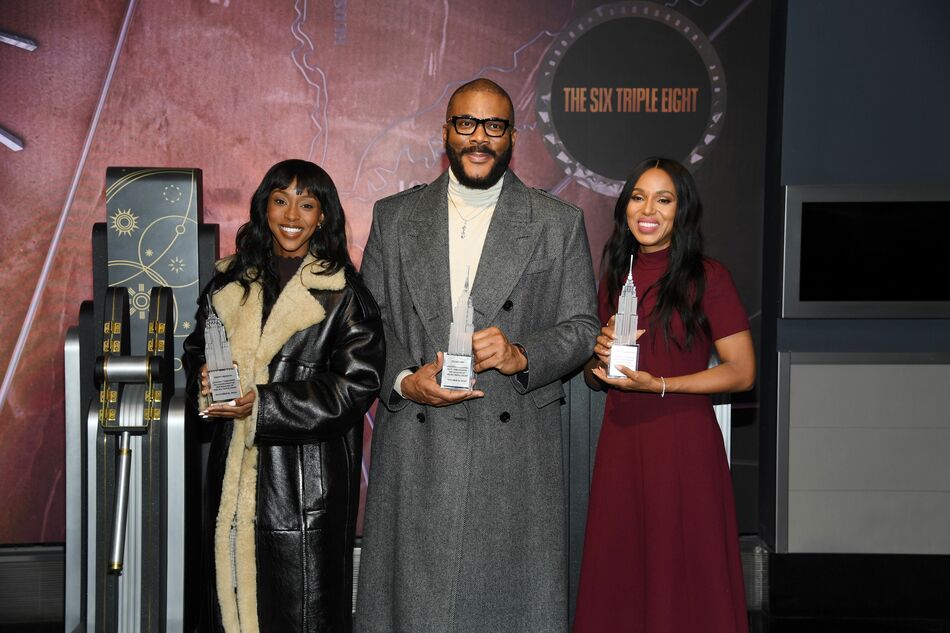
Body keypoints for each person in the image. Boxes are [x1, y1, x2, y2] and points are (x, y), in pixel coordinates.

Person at [355, 78, 600, 633]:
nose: (479, 138)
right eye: (467, 124)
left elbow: (584, 327)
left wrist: (523, 353)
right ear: (446, 132)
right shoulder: (394, 218)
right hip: (418, 450)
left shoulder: (556, 222)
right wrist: (401, 381)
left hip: (511, 457)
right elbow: (370, 326)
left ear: (512, 137)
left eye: (494, 126)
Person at [182, 159, 384, 633]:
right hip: (231, 475)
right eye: (280, 200)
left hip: (303, 484)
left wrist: (265, 403)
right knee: (230, 601)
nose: (292, 214)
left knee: (301, 614)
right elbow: (196, 352)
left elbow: (357, 386)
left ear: (323, 217)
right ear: (263, 208)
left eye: (307, 204)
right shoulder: (228, 282)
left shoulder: (345, 295)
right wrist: (205, 380)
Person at [573, 157, 755, 633]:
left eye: (663, 198)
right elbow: (600, 378)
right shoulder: (615, 274)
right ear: (625, 207)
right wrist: (599, 359)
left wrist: (661, 385)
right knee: (623, 573)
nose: (647, 209)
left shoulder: (707, 276)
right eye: (638, 196)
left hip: (682, 445)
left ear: (682, 211)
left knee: (685, 576)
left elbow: (742, 372)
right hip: (622, 442)